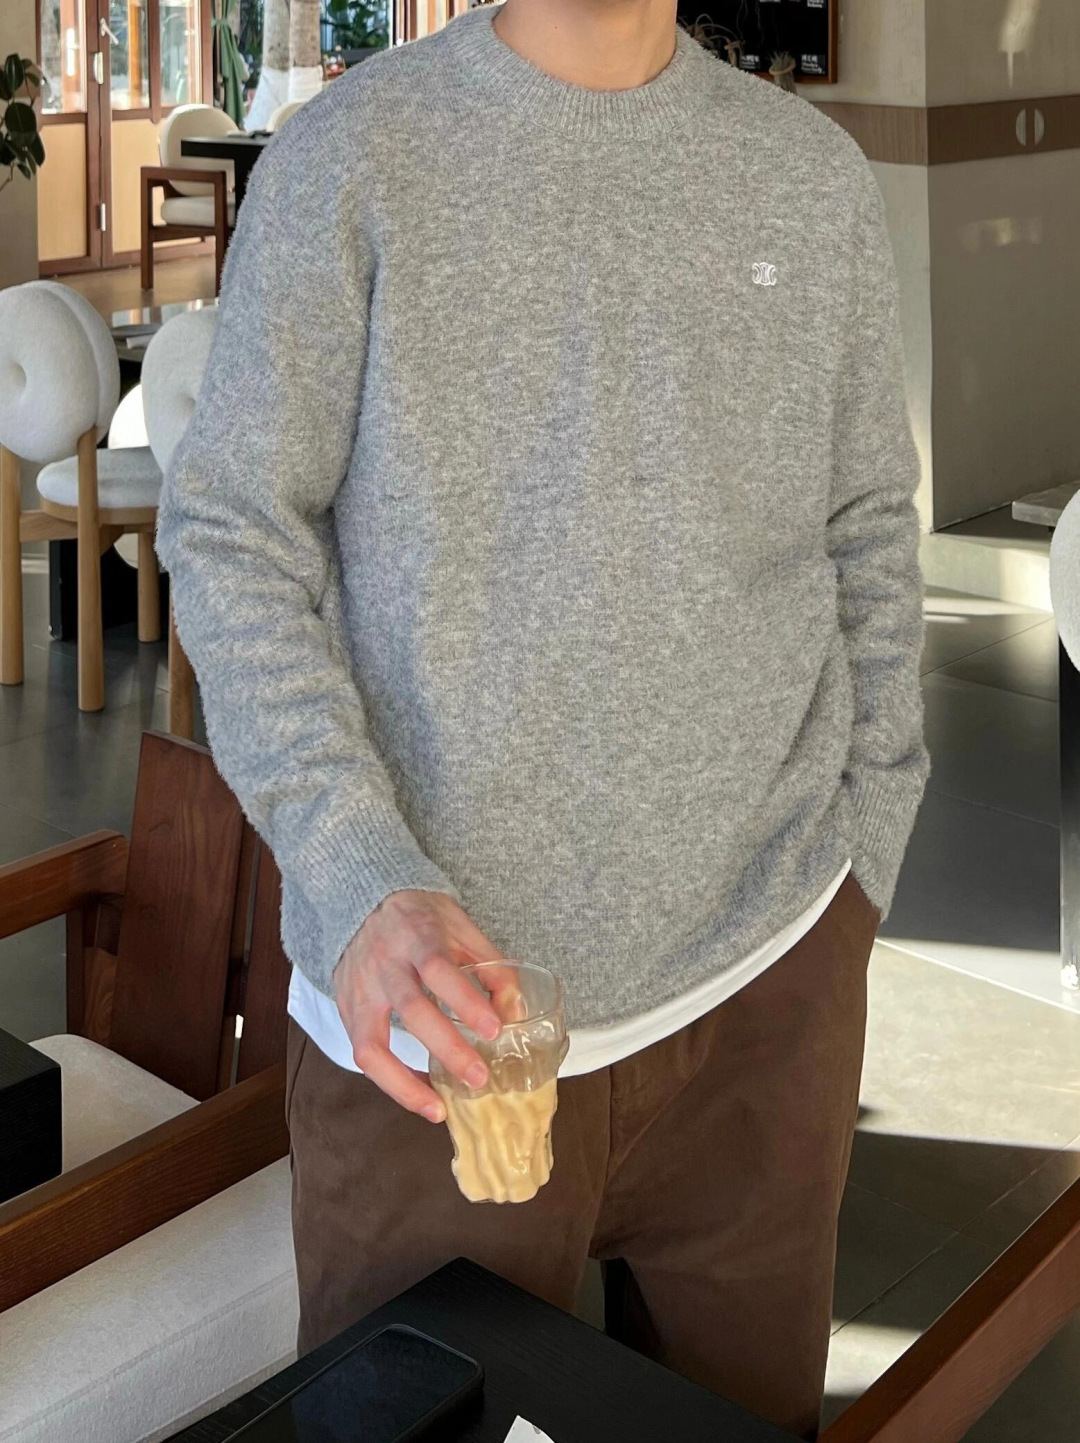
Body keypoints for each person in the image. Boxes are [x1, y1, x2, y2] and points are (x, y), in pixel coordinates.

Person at [157, 0, 928, 1436]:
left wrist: (860, 860)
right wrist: (358, 880)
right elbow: (231, 535)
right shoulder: (355, 158)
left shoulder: (808, 176)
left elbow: (868, 523)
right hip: (436, 1020)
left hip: (768, 984)